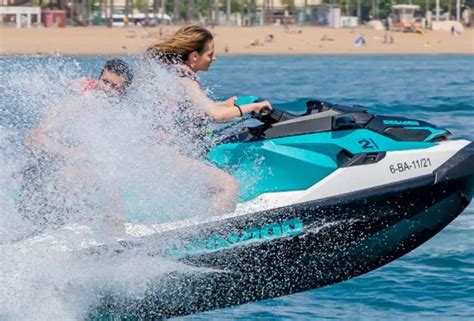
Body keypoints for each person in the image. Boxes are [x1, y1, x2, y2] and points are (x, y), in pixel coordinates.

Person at [146, 25, 272, 122]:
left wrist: (222, 105)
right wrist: (255, 107)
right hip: (174, 152)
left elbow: (194, 108)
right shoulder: (186, 80)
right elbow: (216, 115)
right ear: (194, 56)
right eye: (210, 54)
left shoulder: (171, 71)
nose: (214, 58)